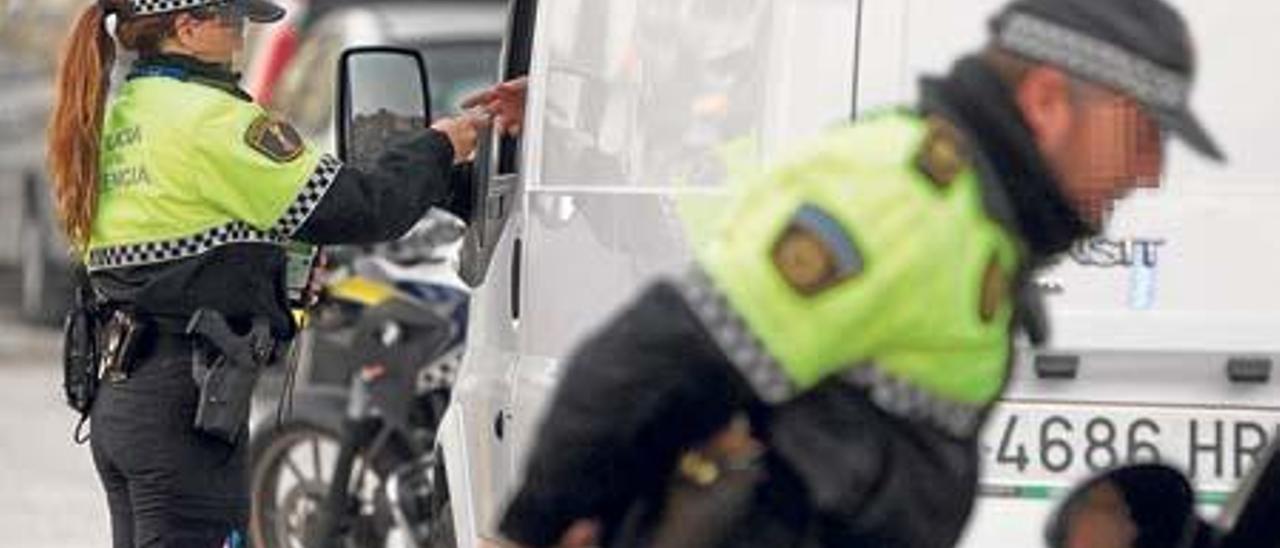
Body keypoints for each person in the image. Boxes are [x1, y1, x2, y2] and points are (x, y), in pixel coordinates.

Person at [493, 0, 1224, 546]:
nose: (1150, 172)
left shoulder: (978, 222)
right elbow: (650, 358)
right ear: (1046, 102)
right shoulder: (904, 197)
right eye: (1140, 134)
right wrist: (529, 532)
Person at [45, 0, 487, 546]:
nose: (243, 33)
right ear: (187, 27)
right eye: (231, 19)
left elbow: (167, 253)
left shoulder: (120, 112)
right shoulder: (209, 117)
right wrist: (443, 143)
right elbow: (363, 205)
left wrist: (271, 261)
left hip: (122, 400)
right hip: (184, 412)